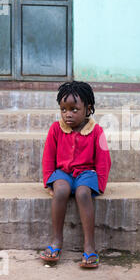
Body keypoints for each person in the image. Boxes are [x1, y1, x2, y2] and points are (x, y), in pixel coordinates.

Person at [40, 81, 111, 268]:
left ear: (88, 109)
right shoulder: (56, 129)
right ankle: (57, 240)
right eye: (63, 109)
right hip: (62, 173)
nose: (67, 114)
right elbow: (48, 156)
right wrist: (49, 181)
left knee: (82, 193)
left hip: (86, 174)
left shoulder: (96, 131)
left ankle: (89, 245)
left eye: (74, 109)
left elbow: (104, 160)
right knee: (61, 191)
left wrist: (100, 185)